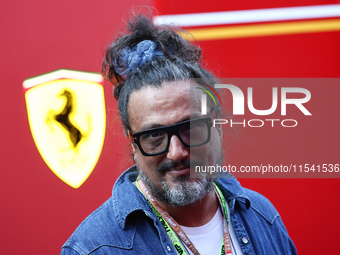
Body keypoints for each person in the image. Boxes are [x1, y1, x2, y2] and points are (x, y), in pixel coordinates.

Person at [61, 14, 297, 255]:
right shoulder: (92, 248)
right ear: (133, 142)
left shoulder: (262, 217)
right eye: (154, 135)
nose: (176, 152)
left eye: (191, 127)